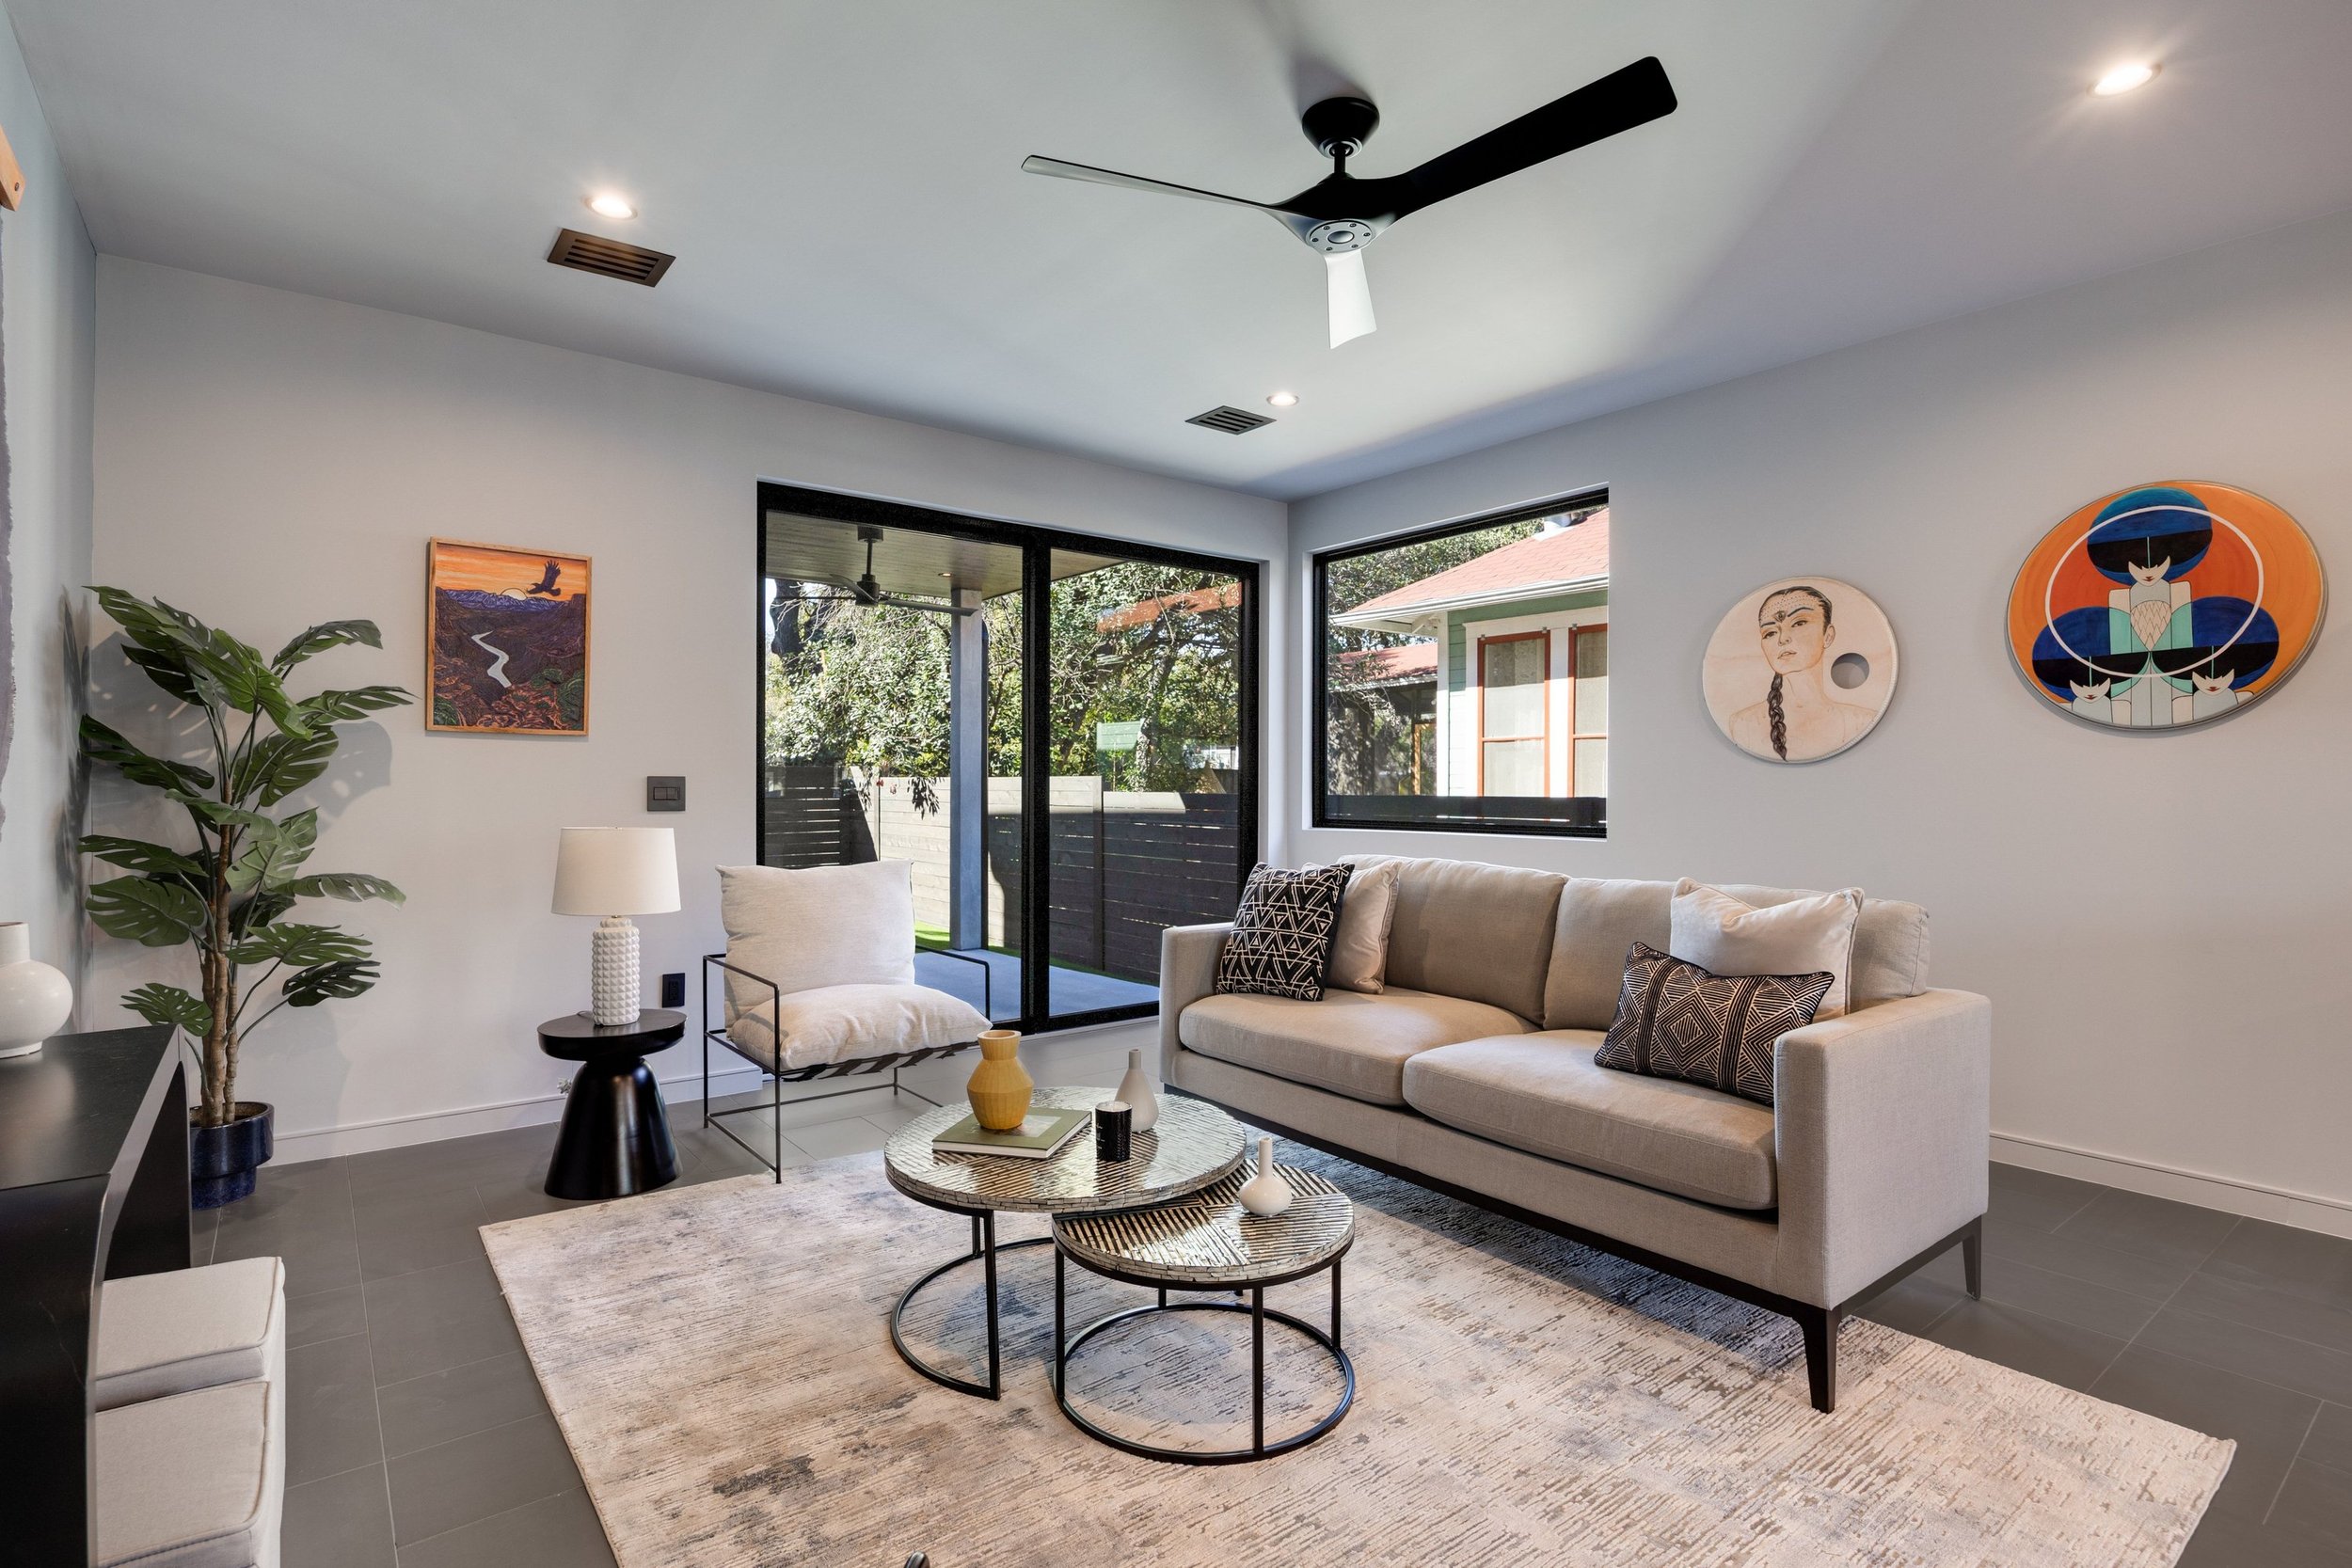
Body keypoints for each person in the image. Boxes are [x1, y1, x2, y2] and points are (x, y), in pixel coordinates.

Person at [1727, 585, 1879, 761]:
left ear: (1828, 635)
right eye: (1770, 632)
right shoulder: (1743, 724)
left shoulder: (1859, 720)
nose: (1783, 638)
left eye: (1799, 623)